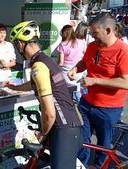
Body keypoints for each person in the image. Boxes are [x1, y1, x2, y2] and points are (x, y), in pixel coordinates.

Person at [7, 20, 83, 169]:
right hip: (69, 122)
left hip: (63, 126)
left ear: (20, 44)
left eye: (16, 45)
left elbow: (49, 113)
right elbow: (35, 84)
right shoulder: (44, 59)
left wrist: (42, 133)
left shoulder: (38, 66)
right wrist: (14, 88)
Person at [68, 13, 128, 168]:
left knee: (103, 145)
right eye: (91, 33)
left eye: (95, 33)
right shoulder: (93, 46)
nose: (92, 36)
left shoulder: (124, 52)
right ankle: (81, 166)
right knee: (81, 141)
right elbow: (84, 62)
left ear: (108, 31)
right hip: (86, 103)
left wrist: (95, 80)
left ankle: (98, 166)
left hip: (109, 109)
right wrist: (75, 68)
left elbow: (127, 83)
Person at [57, 24, 86, 102]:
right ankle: (81, 107)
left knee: (68, 90)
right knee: (77, 90)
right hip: (78, 68)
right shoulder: (81, 42)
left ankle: (69, 107)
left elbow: (61, 62)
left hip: (66, 70)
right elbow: (85, 54)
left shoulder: (62, 45)